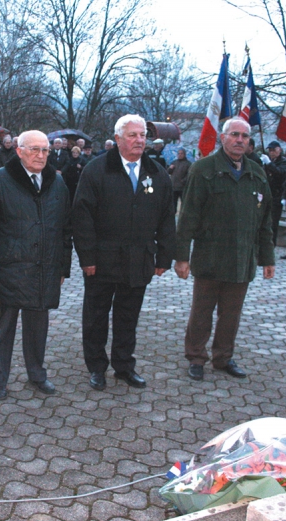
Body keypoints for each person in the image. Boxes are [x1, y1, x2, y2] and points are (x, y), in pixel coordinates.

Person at [72, 114, 176, 390]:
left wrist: (164, 257)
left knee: (128, 316)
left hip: (139, 259)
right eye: (133, 135)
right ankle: (96, 366)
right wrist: (87, 258)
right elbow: (81, 218)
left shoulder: (157, 173)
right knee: (96, 316)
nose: (140, 140)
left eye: (142, 135)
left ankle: (124, 366)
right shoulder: (96, 170)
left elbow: (167, 217)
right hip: (102, 260)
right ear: (117, 139)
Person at [174, 118, 275, 381]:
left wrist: (268, 258)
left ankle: (223, 358)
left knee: (231, 315)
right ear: (223, 138)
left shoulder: (257, 173)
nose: (240, 140)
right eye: (234, 135)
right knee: (201, 313)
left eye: (244, 136)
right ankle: (196, 357)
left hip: (242, 260)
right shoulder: (203, 169)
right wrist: (182, 257)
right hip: (210, 257)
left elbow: (265, 221)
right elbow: (188, 217)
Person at [0, 130, 72, 400]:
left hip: (43, 270)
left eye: (45, 150)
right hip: (8, 270)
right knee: (3, 328)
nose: (41, 155)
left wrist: (63, 267)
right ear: (19, 150)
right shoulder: (0, 180)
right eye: (35, 149)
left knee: (38, 328)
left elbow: (65, 228)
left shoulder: (56, 182)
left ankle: (37, 374)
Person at [259, 140, 286, 247]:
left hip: (276, 196)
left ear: (279, 150)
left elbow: (280, 173)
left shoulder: (283, 162)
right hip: (266, 195)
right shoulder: (268, 162)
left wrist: (269, 164)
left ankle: (271, 244)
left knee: (273, 222)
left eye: (274, 150)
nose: (271, 153)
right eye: (270, 151)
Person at [168, 148, 191, 215]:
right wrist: (170, 168)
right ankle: (172, 215)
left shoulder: (188, 164)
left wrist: (183, 181)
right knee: (173, 203)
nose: (180, 155)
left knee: (184, 202)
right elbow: (168, 172)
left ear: (184, 154)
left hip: (182, 187)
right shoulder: (174, 162)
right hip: (174, 186)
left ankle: (183, 215)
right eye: (179, 153)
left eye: (181, 153)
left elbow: (189, 175)